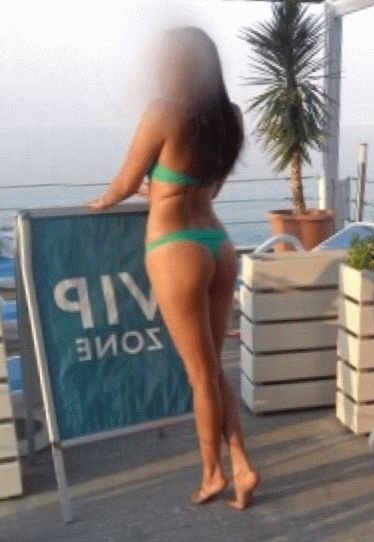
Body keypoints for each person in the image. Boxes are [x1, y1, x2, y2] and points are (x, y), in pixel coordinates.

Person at [88, 27, 259, 509]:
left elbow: (123, 184)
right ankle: (242, 465)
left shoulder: (164, 111)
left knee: (200, 375)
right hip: (218, 244)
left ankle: (211, 474)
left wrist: (101, 202)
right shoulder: (228, 117)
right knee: (214, 369)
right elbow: (206, 188)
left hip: (175, 246)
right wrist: (162, 188)